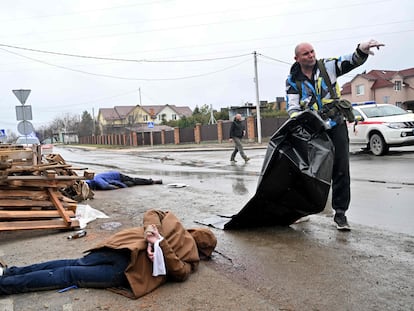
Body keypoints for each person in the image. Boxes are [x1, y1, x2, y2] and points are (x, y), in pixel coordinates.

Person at [0, 209, 217, 298]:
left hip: (118, 247)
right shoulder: (192, 256)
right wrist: (159, 244)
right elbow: (180, 272)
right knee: (69, 274)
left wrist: (154, 235)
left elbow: (152, 213)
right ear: (203, 251)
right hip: (127, 269)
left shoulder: (173, 221)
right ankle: (4, 285)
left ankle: (11, 273)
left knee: (73, 263)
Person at [285, 40, 384, 230]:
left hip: (336, 122)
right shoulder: (292, 79)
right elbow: (293, 106)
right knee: (309, 171)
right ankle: (302, 210)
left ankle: (340, 214)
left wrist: (361, 50)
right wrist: (299, 121)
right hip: (313, 128)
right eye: (306, 54)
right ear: (297, 58)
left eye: (312, 51)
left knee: (341, 168)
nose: (311, 55)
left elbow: (349, 61)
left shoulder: (327, 66)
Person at [85, 171, 162, 190]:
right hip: (115, 180)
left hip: (118, 176)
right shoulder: (94, 181)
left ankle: (153, 181)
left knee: (134, 180)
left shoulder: (96, 179)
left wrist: (116, 188)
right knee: (131, 183)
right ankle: (149, 182)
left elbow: (106, 186)